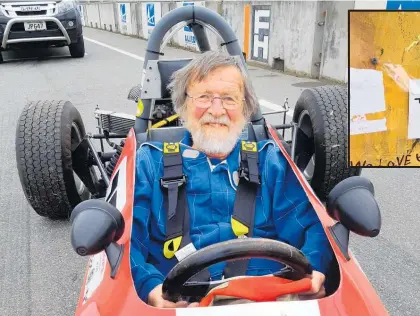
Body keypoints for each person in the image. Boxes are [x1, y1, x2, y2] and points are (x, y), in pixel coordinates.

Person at [130, 50, 333, 308]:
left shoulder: (270, 163)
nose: (216, 110)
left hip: (271, 304)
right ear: (183, 106)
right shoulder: (150, 164)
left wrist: (314, 271)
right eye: (204, 97)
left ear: (245, 109)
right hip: (180, 305)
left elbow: (312, 228)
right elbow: (127, 246)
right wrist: (152, 290)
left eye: (229, 99)